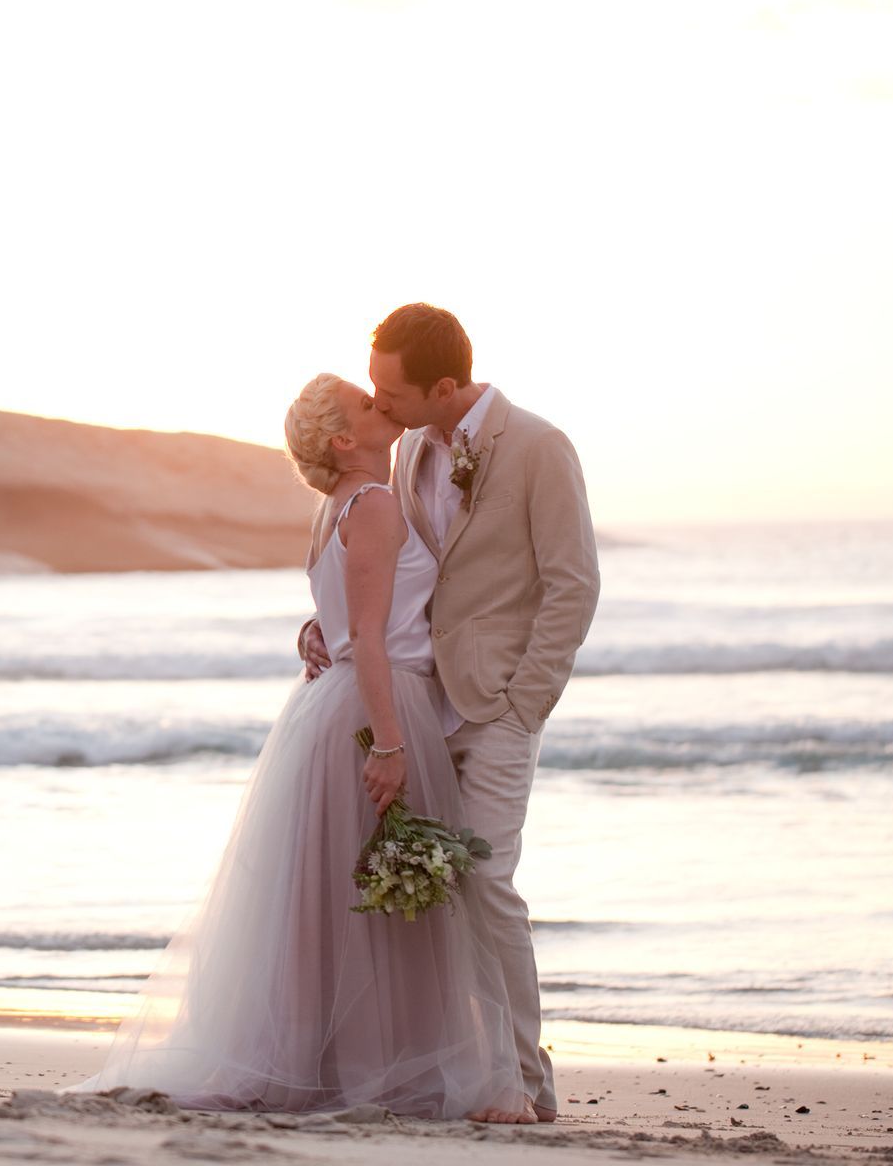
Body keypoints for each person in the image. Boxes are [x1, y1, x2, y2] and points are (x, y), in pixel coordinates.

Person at [65, 372, 523, 1119]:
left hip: (332, 705)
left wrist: (324, 635)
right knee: (379, 904)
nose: (383, 404)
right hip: (375, 707)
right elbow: (370, 636)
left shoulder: (337, 507)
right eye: (367, 404)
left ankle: (337, 1065)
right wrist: (391, 743)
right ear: (346, 440)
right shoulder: (372, 505)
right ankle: (375, 1072)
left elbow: (342, 619)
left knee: (346, 899)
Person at [300, 303, 600, 1123]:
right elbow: (394, 582)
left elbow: (572, 584)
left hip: (498, 707)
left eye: (388, 392)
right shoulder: (410, 456)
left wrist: (523, 705)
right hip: (425, 708)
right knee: (441, 890)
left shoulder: (538, 448)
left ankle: (529, 1082)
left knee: (487, 882)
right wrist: (319, 627)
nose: (377, 403)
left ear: (443, 386)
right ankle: (481, 1070)